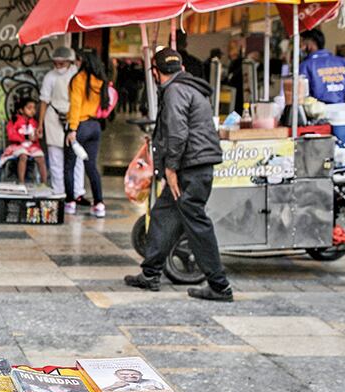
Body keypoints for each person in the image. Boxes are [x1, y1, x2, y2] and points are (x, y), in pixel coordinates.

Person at [124, 49, 232, 302]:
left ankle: (219, 285)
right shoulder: (191, 88)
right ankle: (150, 274)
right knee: (163, 215)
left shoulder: (174, 91)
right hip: (195, 165)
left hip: (189, 168)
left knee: (195, 222)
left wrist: (170, 169)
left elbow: (177, 133)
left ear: (156, 73)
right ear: (181, 68)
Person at [65, 49, 109, 218]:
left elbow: (75, 105)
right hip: (95, 126)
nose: (75, 63)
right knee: (91, 166)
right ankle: (99, 203)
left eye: (76, 60)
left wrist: (72, 129)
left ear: (81, 60)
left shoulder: (79, 79)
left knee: (69, 165)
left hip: (80, 126)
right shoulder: (101, 80)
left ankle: (70, 202)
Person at [38, 47, 85, 200]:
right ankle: (59, 191)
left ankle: (77, 191)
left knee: (76, 156)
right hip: (53, 117)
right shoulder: (49, 77)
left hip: (73, 117)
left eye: (62, 64)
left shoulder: (77, 74)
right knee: (55, 157)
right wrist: (40, 124)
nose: (58, 67)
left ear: (69, 62)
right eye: (56, 64)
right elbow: (44, 101)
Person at [299, 29, 345, 104]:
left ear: (311, 43)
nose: (300, 47)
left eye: (302, 42)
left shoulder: (305, 66)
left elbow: (302, 97)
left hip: (317, 113)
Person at [0, 97, 46, 185]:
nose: (32, 111)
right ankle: (21, 182)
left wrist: (37, 136)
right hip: (17, 146)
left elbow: (35, 137)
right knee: (23, 155)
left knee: (41, 157)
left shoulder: (34, 122)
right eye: (29, 108)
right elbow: (11, 135)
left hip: (31, 147)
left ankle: (43, 183)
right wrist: (25, 137)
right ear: (21, 110)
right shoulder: (14, 121)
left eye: (34, 108)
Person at [103, 368, 167, 392]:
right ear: (116, 375)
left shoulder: (153, 382)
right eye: (124, 374)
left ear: (141, 375)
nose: (131, 376)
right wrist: (113, 386)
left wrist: (157, 390)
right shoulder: (107, 381)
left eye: (135, 374)